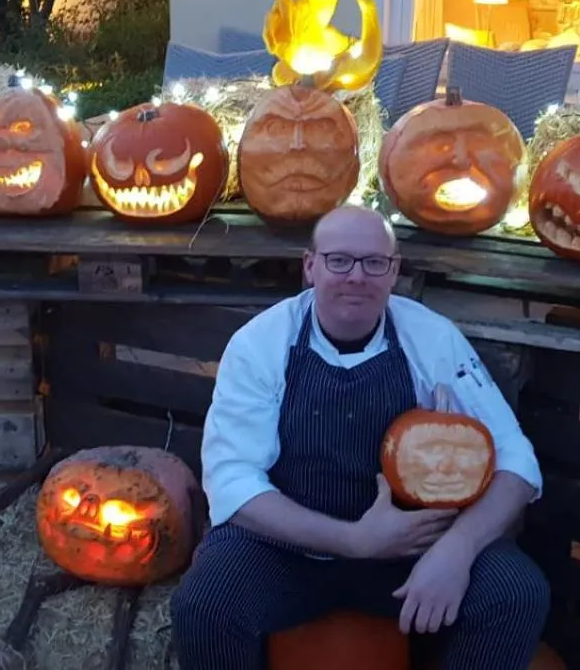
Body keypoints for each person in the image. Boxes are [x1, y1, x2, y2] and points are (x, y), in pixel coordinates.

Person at [170, 205, 550, 670]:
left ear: (395, 271)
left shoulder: (430, 339)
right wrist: (356, 540)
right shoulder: (261, 344)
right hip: (285, 549)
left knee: (515, 595)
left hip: (410, 549)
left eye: (374, 263)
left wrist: (457, 549)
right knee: (205, 607)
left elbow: (516, 462)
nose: (357, 276)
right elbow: (233, 481)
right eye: (339, 261)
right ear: (310, 266)